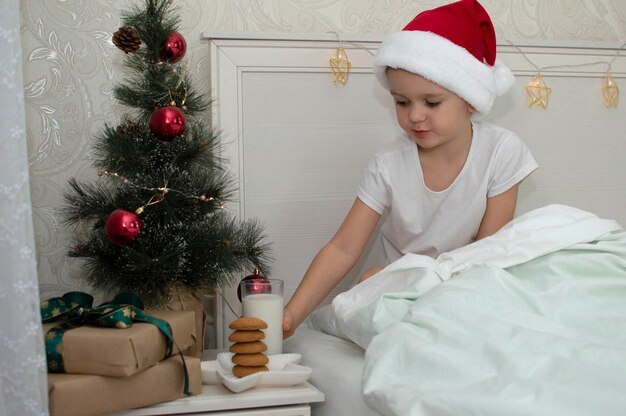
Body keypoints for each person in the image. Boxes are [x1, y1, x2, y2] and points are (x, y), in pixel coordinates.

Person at [282, 0, 538, 339]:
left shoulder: (502, 152)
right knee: (371, 283)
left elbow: (486, 251)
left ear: (471, 99)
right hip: (406, 288)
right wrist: (290, 316)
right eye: (402, 102)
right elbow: (344, 247)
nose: (415, 115)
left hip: (469, 281)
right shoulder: (387, 166)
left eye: (431, 102)